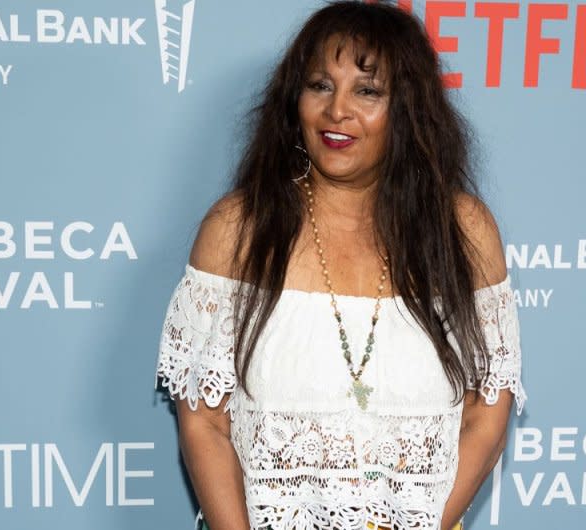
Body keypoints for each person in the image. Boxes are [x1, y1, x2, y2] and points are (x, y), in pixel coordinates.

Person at [155, 2, 526, 529]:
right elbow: (205, 423)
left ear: (408, 108)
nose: (337, 112)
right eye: (320, 86)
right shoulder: (238, 228)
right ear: (294, 100)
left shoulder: (462, 230)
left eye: (367, 91)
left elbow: (488, 412)